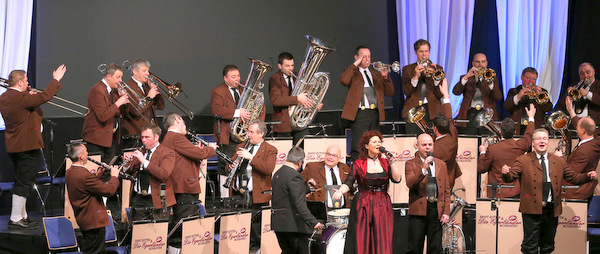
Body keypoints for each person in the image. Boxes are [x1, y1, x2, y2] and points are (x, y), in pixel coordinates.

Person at [502, 128, 597, 254]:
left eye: (544, 139)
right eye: (538, 139)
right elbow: (511, 177)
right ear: (533, 143)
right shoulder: (523, 160)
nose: (542, 141)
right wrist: (506, 173)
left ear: (548, 142)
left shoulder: (558, 161)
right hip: (531, 210)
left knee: (548, 246)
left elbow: (574, 177)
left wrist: (587, 176)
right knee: (530, 246)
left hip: (551, 210)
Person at [0, 65, 66, 229]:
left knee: (24, 179)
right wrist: (56, 79)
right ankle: (15, 217)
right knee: (24, 182)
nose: (28, 83)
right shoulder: (20, 98)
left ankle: (23, 214)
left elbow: (27, 111)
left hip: (15, 144)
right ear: (21, 83)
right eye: (27, 80)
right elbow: (43, 97)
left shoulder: (5, 96)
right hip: (26, 145)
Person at [332, 131, 402, 254]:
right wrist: (340, 191)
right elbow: (349, 182)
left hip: (382, 204)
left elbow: (397, 179)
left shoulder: (385, 162)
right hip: (364, 204)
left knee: (382, 237)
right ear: (366, 146)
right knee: (362, 236)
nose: (378, 144)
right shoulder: (358, 164)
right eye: (374, 142)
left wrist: (392, 163)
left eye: (379, 141)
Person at [161, 112, 217, 252]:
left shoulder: (169, 138)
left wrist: (197, 156)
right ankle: (176, 249)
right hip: (184, 187)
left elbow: (184, 160)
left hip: (179, 185)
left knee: (183, 221)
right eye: (184, 123)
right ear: (178, 120)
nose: (186, 126)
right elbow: (199, 154)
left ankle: (176, 248)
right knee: (184, 222)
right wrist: (211, 149)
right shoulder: (176, 137)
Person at [211, 64, 266, 197]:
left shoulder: (244, 88)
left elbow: (259, 106)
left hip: (245, 136)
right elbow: (216, 110)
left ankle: (243, 195)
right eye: (233, 77)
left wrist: (256, 122)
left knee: (243, 167)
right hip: (228, 138)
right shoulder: (218, 91)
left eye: (238, 76)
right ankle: (225, 198)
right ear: (225, 79)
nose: (237, 79)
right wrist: (237, 112)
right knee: (227, 168)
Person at [227, 119, 277, 250]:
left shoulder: (270, 149)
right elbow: (229, 164)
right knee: (240, 225)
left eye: (251, 132)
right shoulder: (242, 146)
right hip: (240, 193)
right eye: (248, 132)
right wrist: (230, 166)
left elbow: (268, 169)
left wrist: (251, 158)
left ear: (261, 134)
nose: (248, 135)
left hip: (256, 194)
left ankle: (256, 250)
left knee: (256, 227)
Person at [340, 45, 395, 160]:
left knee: (375, 144)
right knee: (358, 145)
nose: (367, 59)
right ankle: (357, 171)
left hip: (375, 113)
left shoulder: (375, 74)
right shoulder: (352, 72)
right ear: (356, 57)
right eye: (363, 56)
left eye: (369, 56)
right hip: (360, 114)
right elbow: (344, 80)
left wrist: (385, 77)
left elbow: (390, 92)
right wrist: (356, 64)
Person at [65, 142, 119, 254]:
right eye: (85, 151)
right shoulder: (84, 175)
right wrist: (114, 176)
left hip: (84, 219)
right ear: (80, 156)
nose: (87, 153)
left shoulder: (70, 172)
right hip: (93, 221)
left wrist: (97, 176)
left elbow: (84, 187)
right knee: (97, 251)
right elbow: (109, 191)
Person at [271, 147, 324, 254]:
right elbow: (299, 204)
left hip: (279, 225)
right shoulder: (294, 176)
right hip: (293, 226)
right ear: (300, 163)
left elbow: (286, 194)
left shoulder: (278, 173)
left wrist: (306, 188)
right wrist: (313, 221)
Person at [405, 133, 451, 254]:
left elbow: (446, 190)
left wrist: (446, 212)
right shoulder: (411, 163)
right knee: (415, 247)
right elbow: (410, 183)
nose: (427, 147)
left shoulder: (441, 164)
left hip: (436, 210)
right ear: (417, 145)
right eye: (424, 145)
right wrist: (424, 169)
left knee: (435, 248)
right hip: (418, 211)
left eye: (430, 144)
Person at [477, 104, 536, 198]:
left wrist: (483, 152)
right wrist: (531, 117)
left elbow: (481, 168)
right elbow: (528, 135)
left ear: (500, 132)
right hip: (515, 191)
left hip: (497, 193)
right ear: (515, 132)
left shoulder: (492, 149)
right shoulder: (520, 146)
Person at [122, 123, 176, 221]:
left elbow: (164, 174)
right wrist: (127, 164)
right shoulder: (140, 151)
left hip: (157, 200)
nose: (143, 140)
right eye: (142, 137)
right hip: (139, 199)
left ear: (156, 137)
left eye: (147, 137)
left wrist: (144, 161)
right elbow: (128, 173)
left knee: (157, 234)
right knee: (139, 233)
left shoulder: (168, 153)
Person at [269, 52, 322, 146]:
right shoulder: (275, 79)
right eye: (287, 66)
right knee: (285, 152)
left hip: (298, 121)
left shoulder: (297, 76)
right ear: (280, 66)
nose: (291, 68)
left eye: (292, 65)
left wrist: (313, 105)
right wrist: (297, 98)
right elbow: (276, 100)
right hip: (283, 123)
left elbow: (305, 95)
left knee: (304, 148)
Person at [82, 63, 130, 164]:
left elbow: (122, 114)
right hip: (97, 139)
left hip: (110, 137)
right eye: (118, 77)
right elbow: (103, 116)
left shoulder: (114, 91)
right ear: (109, 77)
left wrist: (124, 103)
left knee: (109, 169)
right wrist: (119, 102)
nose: (121, 80)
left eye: (121, 77)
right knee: (96, 170)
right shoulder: (97, 90)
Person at [560, 98, 600, 200]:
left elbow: (570, 175)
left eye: (577, 127)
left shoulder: (583, 152)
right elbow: (585, 125)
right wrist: (571, 111)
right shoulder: (595, 141)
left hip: (576, 192)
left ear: (582, 131)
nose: (575, 128)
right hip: (587, 187)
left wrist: (558, 159)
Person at [452, 53, 503, 133]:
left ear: (486, 63)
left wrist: (490, 84)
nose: (480, 65)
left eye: (483, 62)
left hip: (486, 114)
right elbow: (455, 92)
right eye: (477, 62)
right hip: (470, 113)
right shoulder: (466, 77)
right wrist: (466, 77)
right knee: (469, 140)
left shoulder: (492, 78)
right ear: (473, 63)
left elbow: (498, 97)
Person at [401, 39, 444, 134]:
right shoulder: (407, 69)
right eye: (421, 51)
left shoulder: (437, 68)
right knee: (413, 141)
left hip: (433, 110)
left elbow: (440, 94)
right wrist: (416, 76)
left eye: (426, 51)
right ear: (415, 52)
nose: (424, 54)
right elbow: (406, 92)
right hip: (414, 111)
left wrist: (435, 79)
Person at [121, 59, 165, 137]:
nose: (148, 74)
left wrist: (156, 92)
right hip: (136, 133)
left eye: (148, 71)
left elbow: (161, 106)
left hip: (151, 132)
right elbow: (135, 111)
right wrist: (149, 97)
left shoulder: (147, 86)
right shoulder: (128, 87)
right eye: (144, 71)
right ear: (135, 72)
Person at [503, 67, 552, 134]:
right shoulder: (513, 91)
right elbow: (506, 107)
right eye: (528, 78)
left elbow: (549, 109)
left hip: (536, 128)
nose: (531, 82)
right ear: (522, 77)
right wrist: (518, 96)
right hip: (518, 128)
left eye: (534, 79)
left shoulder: (542, 92)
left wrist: (540, 95)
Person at [432, 78, 461, 189]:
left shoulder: (435, 148)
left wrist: (416, 149)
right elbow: (449, 118)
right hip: (450, 178)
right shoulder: (452, 135)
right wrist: (446, 96)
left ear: (434, 128)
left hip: (437, 182)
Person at [559, 62, 600, 134]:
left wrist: (587, 94)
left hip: (593, 126)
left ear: (593, 72)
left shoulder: (598, 85)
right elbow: (561, 106)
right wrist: (568, 96)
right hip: (575, 124)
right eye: (582, 74)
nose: (585, 76)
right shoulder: (574, 86)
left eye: (588, 72)